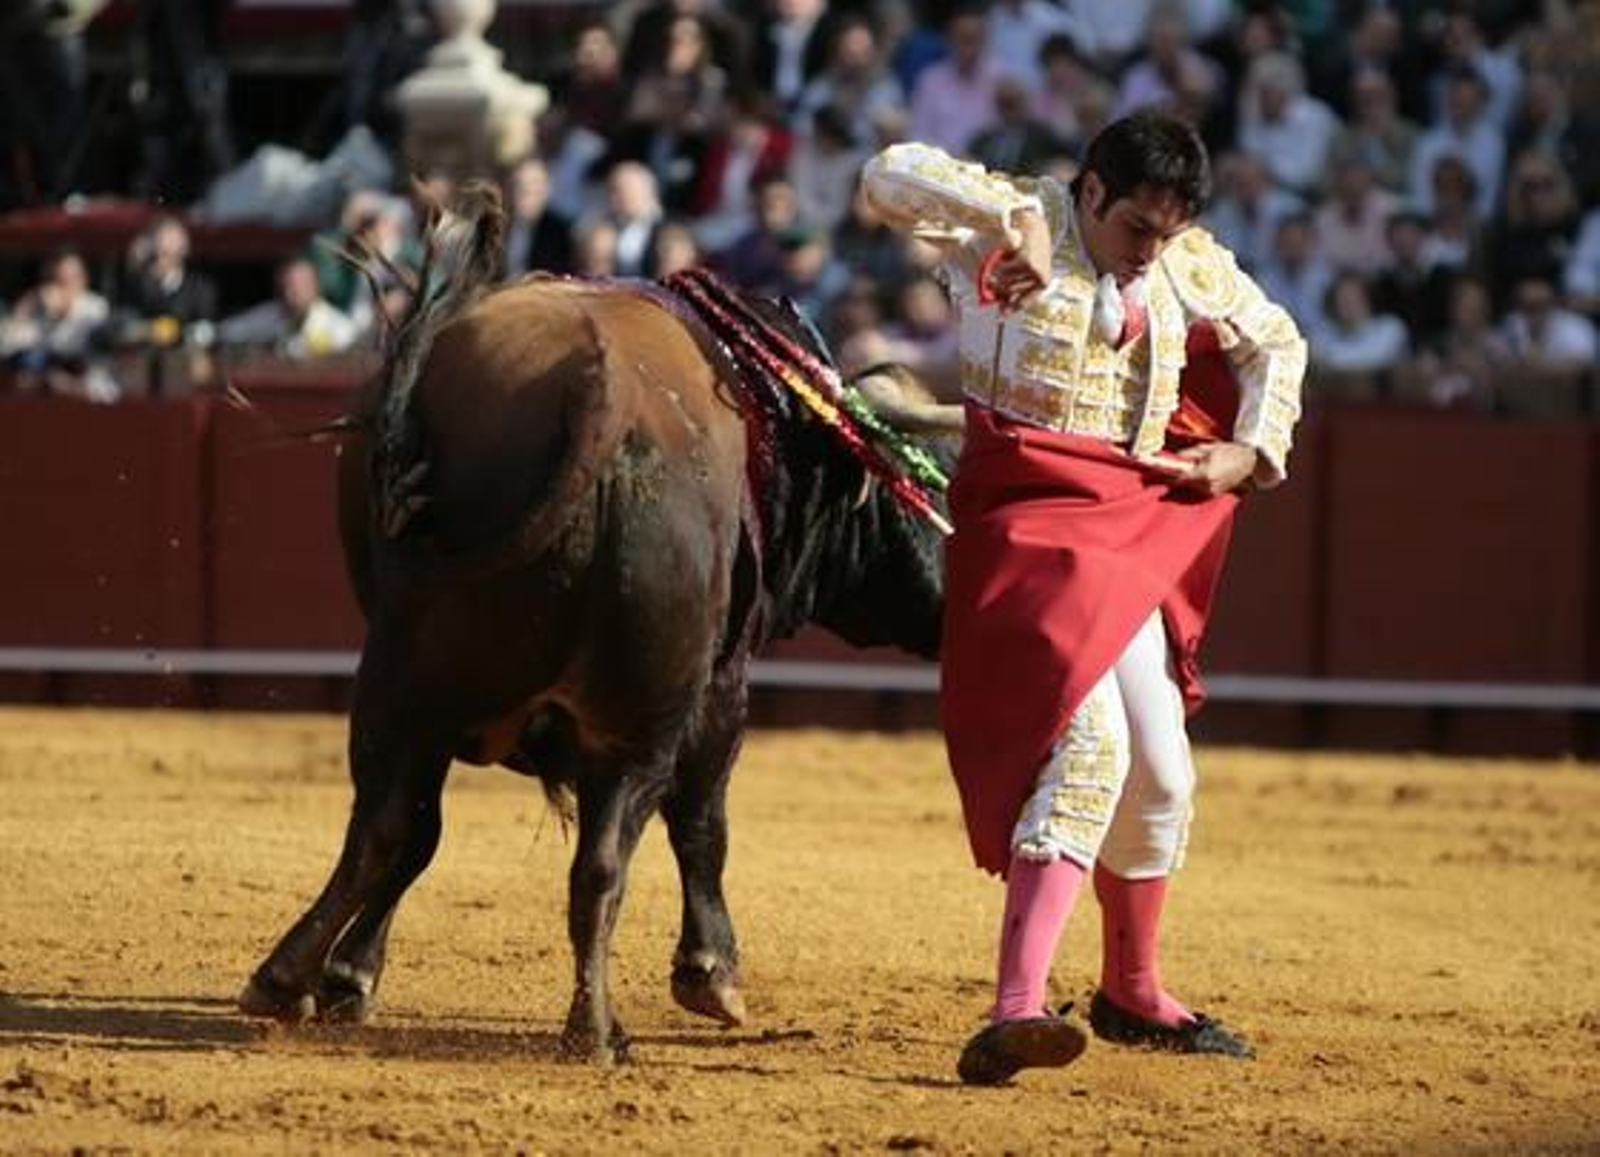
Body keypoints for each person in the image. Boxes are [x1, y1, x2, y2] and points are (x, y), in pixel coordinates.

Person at [861, 108, 1306, 1084]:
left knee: (1164, 773)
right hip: (1023, 529)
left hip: (1126, 527)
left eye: (1168, 232)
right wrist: (1011, 217)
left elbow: (1277, 342)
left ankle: (1130, 990)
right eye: (1136, 227)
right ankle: (1015, 1007)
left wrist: (1247, 451)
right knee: (1092, 745)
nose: (1151, 251)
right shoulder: (1009, 220)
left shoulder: (1185, 265)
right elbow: (887, 173)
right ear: (1090, 191)